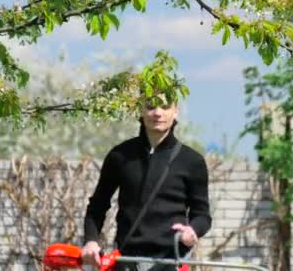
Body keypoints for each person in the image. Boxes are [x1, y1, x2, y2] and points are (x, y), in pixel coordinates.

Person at [81, 95, 211, 271]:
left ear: (175, 111)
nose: (158, 113)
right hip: (127, 261)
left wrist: (193, 230)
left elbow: (202, 215)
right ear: (140, 110)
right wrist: (91, 241)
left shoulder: (192, 161)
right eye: (150, 106)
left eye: (165, 106)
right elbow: (97, 207)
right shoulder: (120, 156)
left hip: (171, 263)